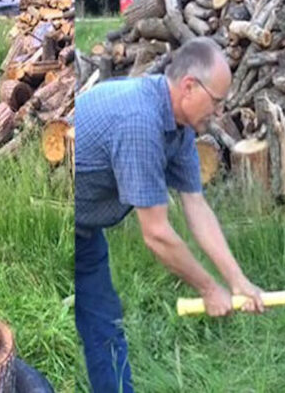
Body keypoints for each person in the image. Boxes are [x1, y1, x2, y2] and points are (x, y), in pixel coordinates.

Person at [74, 37, 266, 392]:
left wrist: (236, 280)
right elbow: (157, 234)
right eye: (218, 103)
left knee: (105, 330)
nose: (220, 115)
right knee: (77, 331)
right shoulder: (140, 121)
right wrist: (209, 288)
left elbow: (196, 206)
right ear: (189, 86)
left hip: (86, 232)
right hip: (61, 223)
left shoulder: (179, 127)